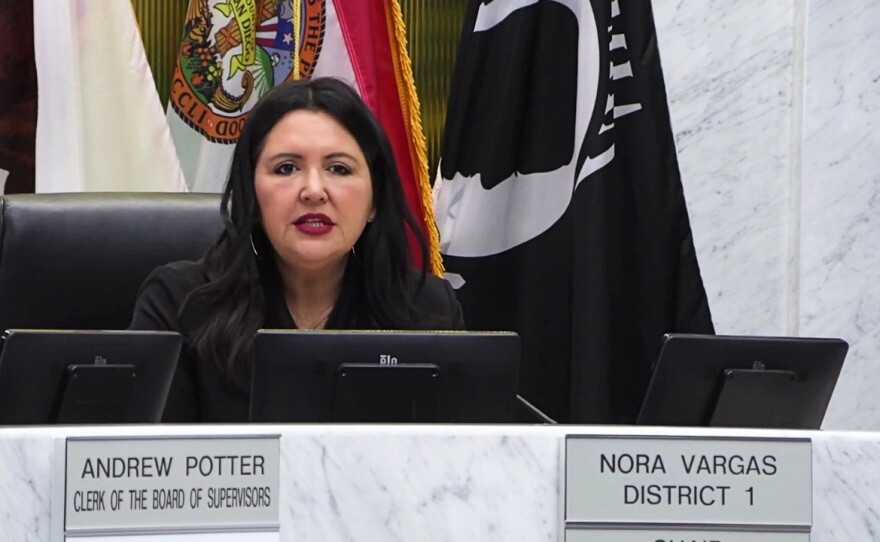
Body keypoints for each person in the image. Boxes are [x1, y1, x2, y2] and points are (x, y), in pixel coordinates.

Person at [130, 77, 464, 422]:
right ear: (252, 195)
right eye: (286, 168)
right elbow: (145, 464)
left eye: (339, 168)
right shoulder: (179, 304)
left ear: (374, 201)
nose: (314, 190)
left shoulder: (426, 311)